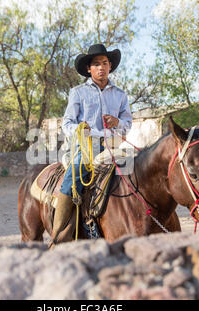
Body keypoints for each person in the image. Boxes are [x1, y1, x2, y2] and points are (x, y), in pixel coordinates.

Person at [50, 43, 132, 247]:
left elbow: (128, 124)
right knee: (73, 178)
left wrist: (117, 123)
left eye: (105, 63)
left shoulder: (120, 95)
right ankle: (59, 234)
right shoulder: (77, 92)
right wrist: (81, 129)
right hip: (86, 148)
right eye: (96, 64)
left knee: (138, 171)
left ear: (110, 66)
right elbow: (67, 123)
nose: (101, 67)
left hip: (113, 147)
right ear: (89, 69)